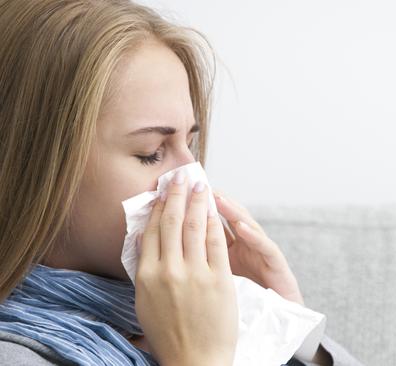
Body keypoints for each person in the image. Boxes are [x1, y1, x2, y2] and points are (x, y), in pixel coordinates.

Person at [0, 1, 363, 365]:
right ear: (31, 169)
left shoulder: (189, 316)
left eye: (188, 145)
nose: (193, 179)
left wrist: (289, 335)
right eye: (151, 152)